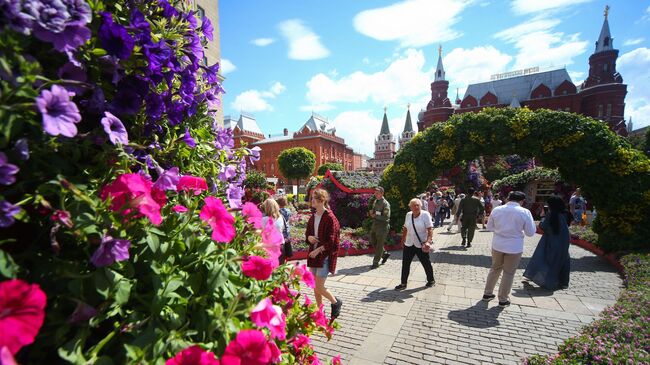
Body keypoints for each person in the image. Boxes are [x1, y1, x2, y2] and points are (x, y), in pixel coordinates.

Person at [482, 191, 536, 306]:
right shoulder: (525, 212)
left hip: (498, 244)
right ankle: (502, 299)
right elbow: (530, 233)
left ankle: (487, 293)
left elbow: (489, 227)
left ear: (508, 198)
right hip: (514, 247)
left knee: (495, 268)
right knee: (508, 273)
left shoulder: (497, 210)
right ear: (522, 201)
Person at [306, 189, 343, 319]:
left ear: (321, 200)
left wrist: (318, 250)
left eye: (314, 199)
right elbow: (308, 235)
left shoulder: (330, 218)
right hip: (313, 256)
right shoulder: (313, 217)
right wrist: (309, 238)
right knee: (315, 287)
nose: (312, 201)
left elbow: (333, 241)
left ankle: (335, 302)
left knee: (319, 286)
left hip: (324, 257)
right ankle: (319, 311)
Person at [523, 197, 571, 290]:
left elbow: (543, 226)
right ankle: (562, 282)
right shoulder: (566, 214)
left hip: (551, 240)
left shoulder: (551, 214)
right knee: (563, 259)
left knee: (544, 258)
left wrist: (543, 217)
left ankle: (546, 280)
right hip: (564, 241)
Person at [395, 198, 435, 290]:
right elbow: (405, 228)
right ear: (410, 207)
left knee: (426, 263)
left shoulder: (425, 214)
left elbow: (430, 229)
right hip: (409, 243)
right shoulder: (408, 215)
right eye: (414, 205)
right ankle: (403, 283)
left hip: (421, 244)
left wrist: (428, 241)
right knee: (405, 264)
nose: (416, 207)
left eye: (418, 205)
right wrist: (403, 239)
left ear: (421, 206)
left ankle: (431, 280)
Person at [369, 187, 391, 269]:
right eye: (375, 193)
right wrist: (372, 213)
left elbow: (386, 216)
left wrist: (375, 214)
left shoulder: (385, 204)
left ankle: (375, 262)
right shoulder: (376, 201)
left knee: (379, 244)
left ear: (382, 193)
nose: (375, 194)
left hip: (382, 225)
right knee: (373, 240)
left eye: (377, 193)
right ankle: (384, 254)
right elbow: (375, 212)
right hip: (375, 224)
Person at [277, 196, 292, 261]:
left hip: (281, 231)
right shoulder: (288, 211)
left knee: (281, 249)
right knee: (286, 247)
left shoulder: (278, 212)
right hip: (287, 231)